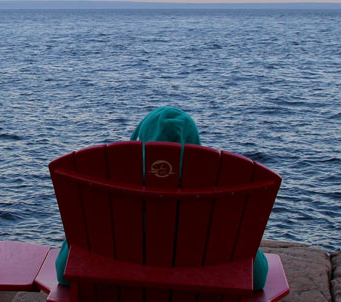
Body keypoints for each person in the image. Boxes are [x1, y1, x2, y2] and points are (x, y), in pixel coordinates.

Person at [54, 106, 269, 291]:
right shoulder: (217, 208)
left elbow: (64, 273)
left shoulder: (108, 204)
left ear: (138, 144)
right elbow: (257, 278)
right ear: (197, 147)